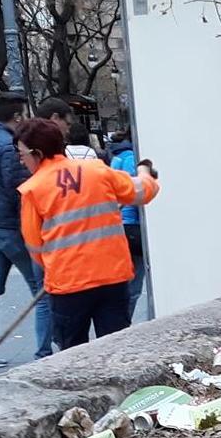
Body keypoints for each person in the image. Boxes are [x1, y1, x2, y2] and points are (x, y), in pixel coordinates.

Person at [15, 117, 158, 349]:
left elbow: (35, 247)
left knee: (73, 356)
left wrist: (56, 268)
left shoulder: (33, 190)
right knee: (115, 351)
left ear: (37, 153)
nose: (21, 161)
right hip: (112, 278)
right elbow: (142, 192)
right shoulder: (97, 171)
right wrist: (145, 172)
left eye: (22, 154)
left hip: (68, 285)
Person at [0, 92, 54, 366]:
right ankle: (45, 354)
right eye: (25, 114)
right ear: (17, 116)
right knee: (42, 291)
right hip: (10, 227)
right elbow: (18, 190)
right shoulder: (8, 146)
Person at [108, 132, 148, 316]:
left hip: (118, 225)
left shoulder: (117, 158)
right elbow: (137, 193)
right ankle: (124, 323)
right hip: (133, 227)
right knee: (134, 286)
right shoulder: (133, 159)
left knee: (123, 282)